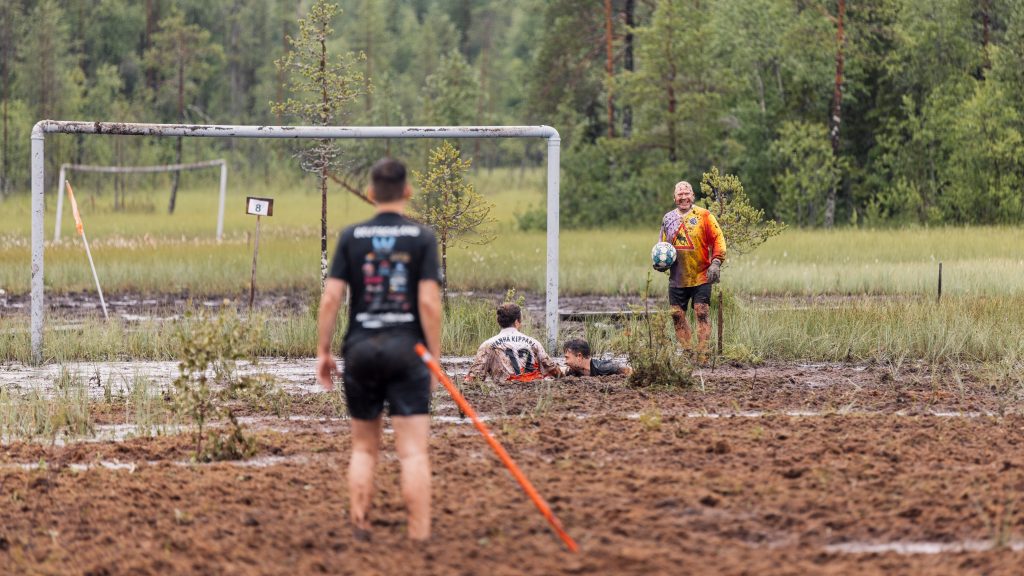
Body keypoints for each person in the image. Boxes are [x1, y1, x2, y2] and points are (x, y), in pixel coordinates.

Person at [316, 157, 442, 542]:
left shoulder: (351, 237)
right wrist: (434, 357)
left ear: (370, 194)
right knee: (413, 452)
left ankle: (360, 524)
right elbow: (429, 304)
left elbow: (331, 298)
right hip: (408, 351)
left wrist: (324, 351)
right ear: (407, 192)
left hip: (361, 350)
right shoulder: (422, 238)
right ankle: (418, 535)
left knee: (365, 449)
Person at [659, 180, 727, 361]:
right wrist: (659, 263)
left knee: (701, 311)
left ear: (693, 196)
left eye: (687, 193)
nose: (683, 197)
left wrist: (716, 262)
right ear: (674, 198)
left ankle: (703, 354)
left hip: (702, 274)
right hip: (677, 278)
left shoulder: (705, 216)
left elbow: (718, 238)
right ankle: (688, 353)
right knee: (676, 315)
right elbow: (662, 247)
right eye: (680, 194)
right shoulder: (668, 219)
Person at [463, 303, 561, 383]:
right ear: (517, 321)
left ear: (498, 322)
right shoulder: (534, 343)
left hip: (505, 388)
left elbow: (474, 378)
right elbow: (553, 369)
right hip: (532, 389)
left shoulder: (488, 345)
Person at [562, 338, 632, 377]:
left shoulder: (604, 367)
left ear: (579, 356)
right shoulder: (574, 371)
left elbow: (631, 372)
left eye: (567, 358)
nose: (565, 362)